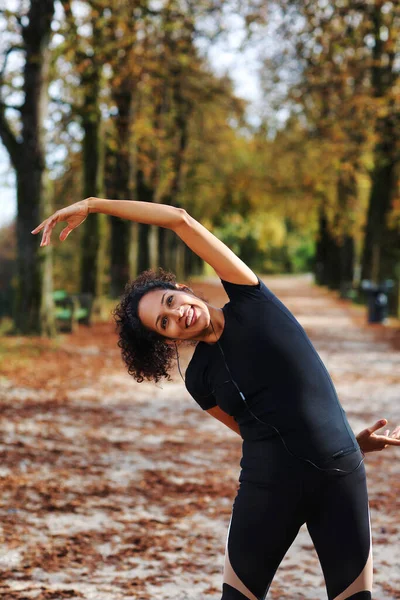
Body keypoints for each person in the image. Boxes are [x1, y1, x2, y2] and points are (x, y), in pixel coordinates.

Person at [32, 198, 400, 600]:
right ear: (165, 340)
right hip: (268, 487)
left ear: (183, 290)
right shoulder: (199, 380)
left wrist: (95, 205)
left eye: (171, 302)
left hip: (339, 474)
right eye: (164, 323)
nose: (178, 315)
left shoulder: (250, 298)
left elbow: (180, 220)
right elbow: (252, 429)